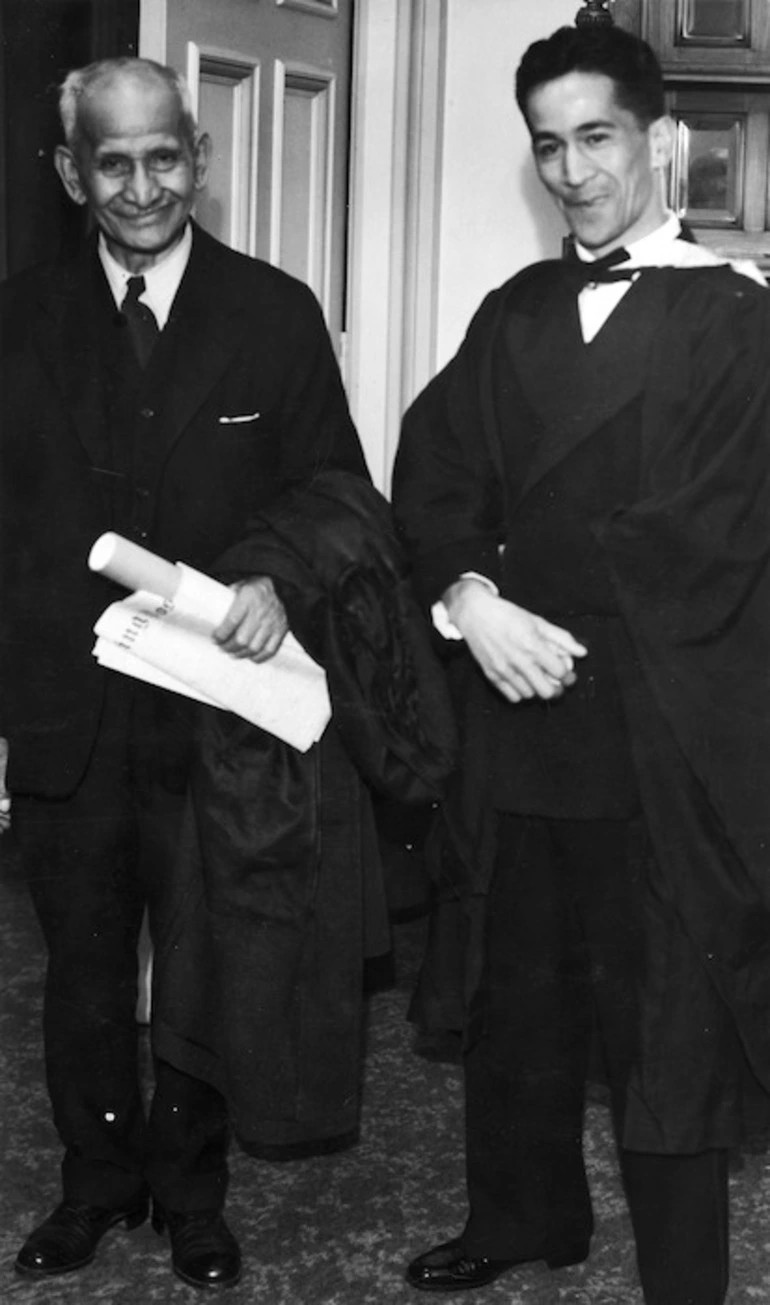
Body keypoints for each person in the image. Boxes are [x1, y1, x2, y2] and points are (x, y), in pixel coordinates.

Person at [391, 23, 770, 1305]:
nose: (570, 170)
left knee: (661, 1021)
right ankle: (521, 1217)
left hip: (660, 732)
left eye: (595, 137)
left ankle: (681, 1281)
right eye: (547, 144)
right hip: (516, 715)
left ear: (660, 140)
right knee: (517, 987)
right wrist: (471, 593)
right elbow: (433, 472)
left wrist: (535, 593)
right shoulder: (511, 316)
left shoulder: (734, 320)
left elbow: (710, 538)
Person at [0, 56, 374, 1290]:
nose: (143, 185)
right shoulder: (17, 320)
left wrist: (274, 576)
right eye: (113, 162)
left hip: (215, 711)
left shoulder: (272, 315)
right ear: (70, 175)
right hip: (68, 716)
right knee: (87, 969)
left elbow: (337, 494)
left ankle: (194, 1193)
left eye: (164, 156)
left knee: (209, 964)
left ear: (199, 160)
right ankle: (96, 1184)